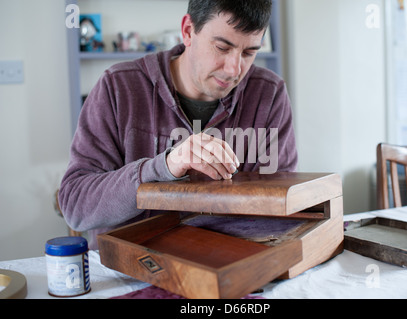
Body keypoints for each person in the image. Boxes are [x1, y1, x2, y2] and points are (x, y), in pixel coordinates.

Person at [59, 0, 298, 249]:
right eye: (221, 48)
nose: (234, 70)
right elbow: (76, 208)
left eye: (249, 53)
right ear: (187, 31)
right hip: (130, 270)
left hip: (231, 268)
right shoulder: (117, 87)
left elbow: (281, 205)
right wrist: (163, 167)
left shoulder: (269, 94)